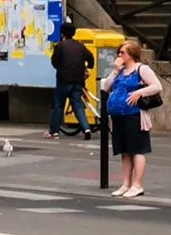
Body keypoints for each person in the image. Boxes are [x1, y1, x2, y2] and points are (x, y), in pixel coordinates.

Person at [103, 40, 162, 198]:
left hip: (134, 114)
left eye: (123, 52)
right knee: (124, 151)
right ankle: (126, 183)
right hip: (118, 115)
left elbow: (157, 86)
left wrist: (138, 93)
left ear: (132, 54)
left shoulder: (141, 69)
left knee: (137, 150)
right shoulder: (120, 70)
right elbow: (106, 87)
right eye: (119, 52)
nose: (119, 55)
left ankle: (137, 184)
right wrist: (115, 71)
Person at [51, 24, 93, 138]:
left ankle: (54, 131)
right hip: (78, 80)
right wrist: (87, 68)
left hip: (64, 80)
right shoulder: (80, 46)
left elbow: (54, 62)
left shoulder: (60, 46)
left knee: (58, 105)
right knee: (78, 105)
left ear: (62, 34)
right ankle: (86, 128)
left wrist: (61, 68)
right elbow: (90, 58)